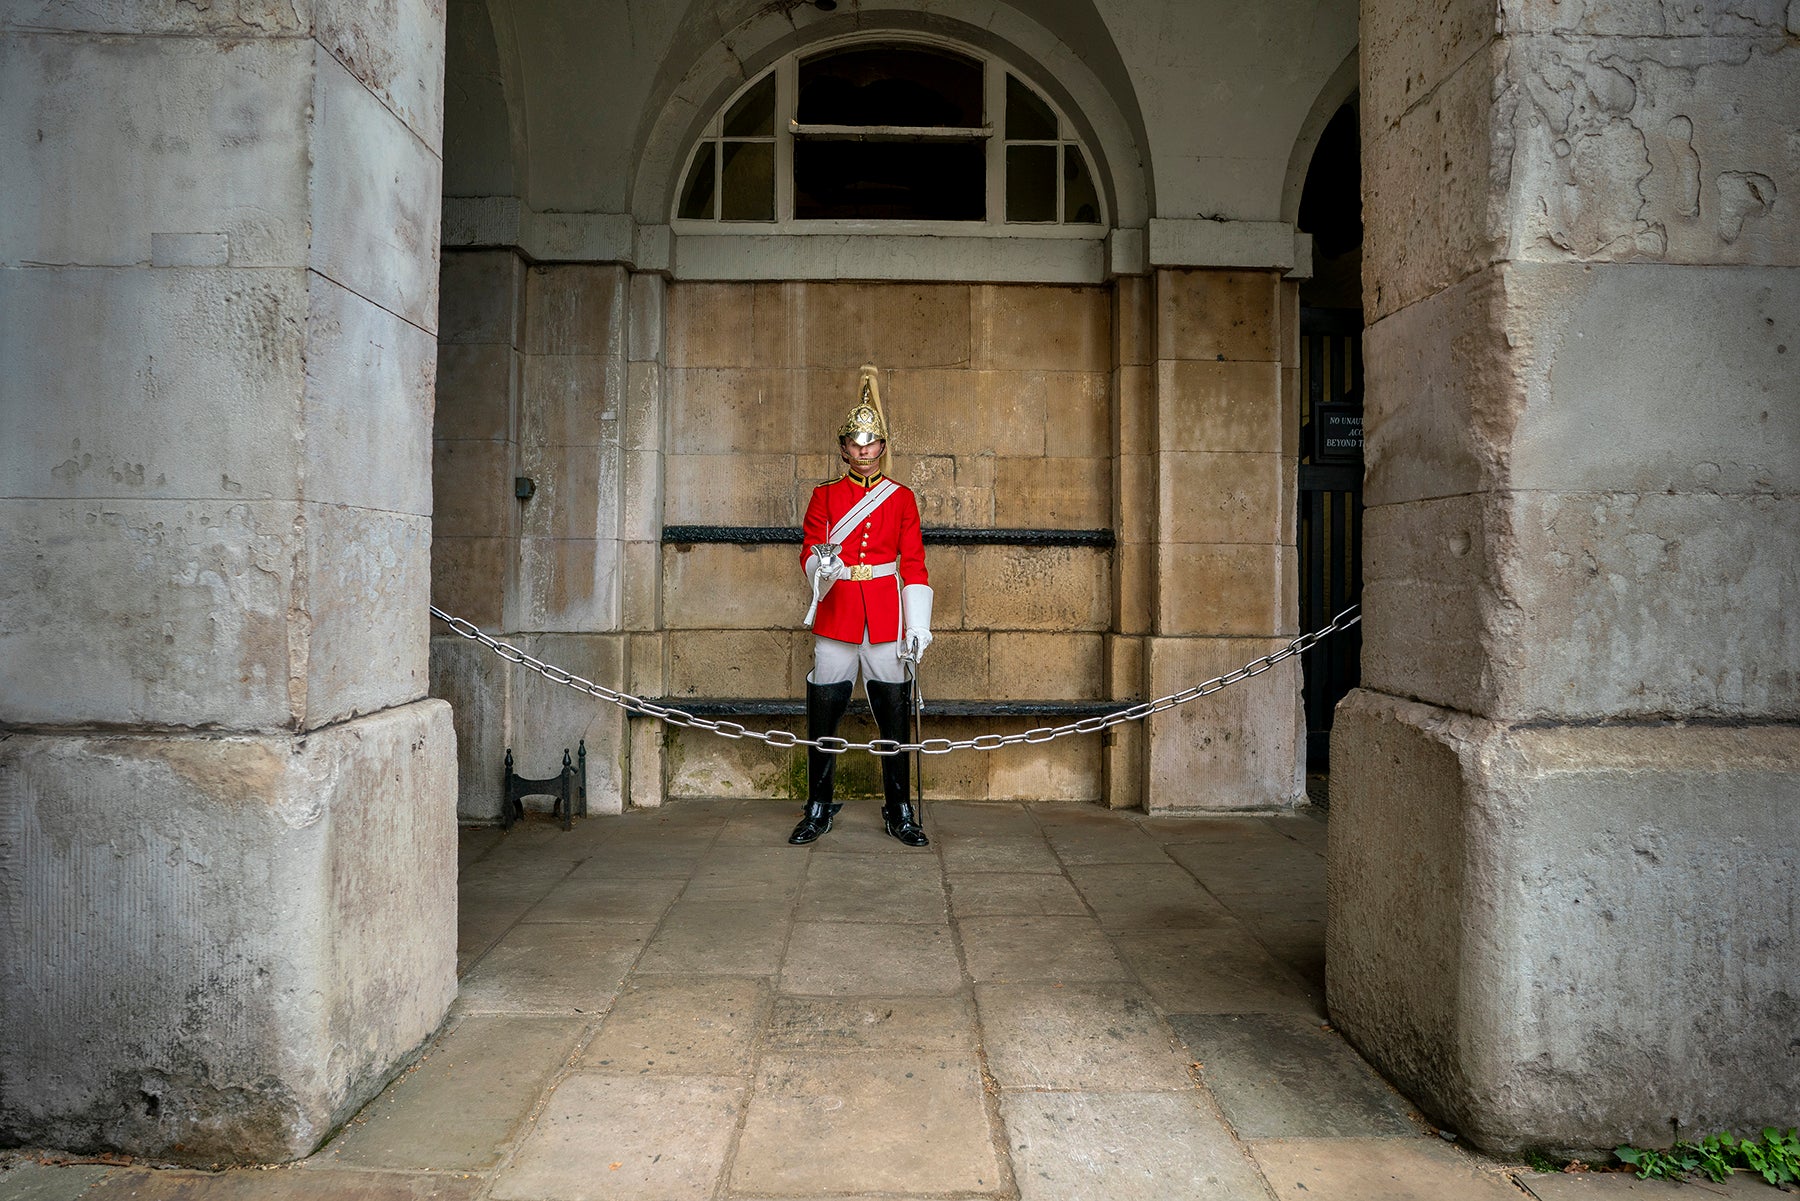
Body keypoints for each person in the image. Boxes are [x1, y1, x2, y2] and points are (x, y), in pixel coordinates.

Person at [789, 368, 933, 847]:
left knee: (893, 716)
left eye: (873, 443)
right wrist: (820, 571)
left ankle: (899, 808)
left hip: (887, 619)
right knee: (823, 715)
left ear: (882, 447)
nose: (865, 450)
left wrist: (918, 624)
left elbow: (912, 563)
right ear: (844, 446)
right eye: (857, 442)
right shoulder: (825, 495)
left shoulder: (902, 499)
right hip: (837, 614)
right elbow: (810, 547)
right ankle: (818, 804)